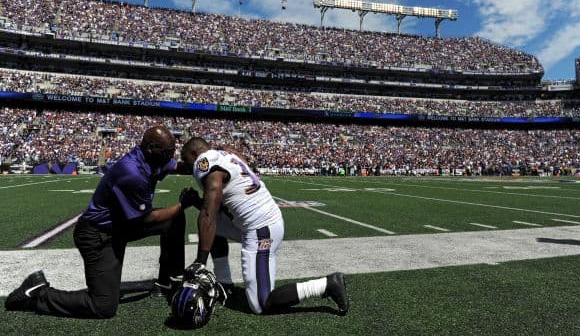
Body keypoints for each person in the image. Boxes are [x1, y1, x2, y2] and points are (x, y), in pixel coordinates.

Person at [5, 126, 194, 318]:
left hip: (120, 226)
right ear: (151, 148)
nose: (171, 156)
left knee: (173, 219)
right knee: (102, 306)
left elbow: (178, 167)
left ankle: (169, 281)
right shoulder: (133, 172)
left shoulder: (151, 158)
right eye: (168, 152)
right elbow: (148, 218)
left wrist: (206, 165)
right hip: (98, 235)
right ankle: (37, 294)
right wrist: (183, 204)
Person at [180, 137, 349, 315]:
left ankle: (327, 284)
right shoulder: (225, 156)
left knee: (261, 303)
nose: (188, 166)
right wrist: (196, 202)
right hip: (257, 221)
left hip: (262, 229)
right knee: (214, 227)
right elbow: (220, 209)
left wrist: (200, 262)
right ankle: (225, 283)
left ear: (194, 153)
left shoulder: (204, 162)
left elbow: (208, 213)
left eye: (186, 160)